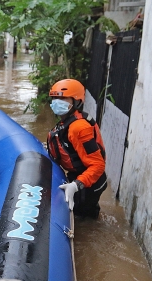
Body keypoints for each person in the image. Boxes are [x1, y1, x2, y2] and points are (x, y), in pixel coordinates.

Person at [47, 79, 107, 219]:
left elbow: (98, 165)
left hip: (88, 182)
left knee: (83, 220)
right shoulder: (67, 122)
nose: (57, 101)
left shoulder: (79, 128)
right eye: (55, 98)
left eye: (62, 98)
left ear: (76, 101)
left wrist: (76, 185)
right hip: (78, 176)